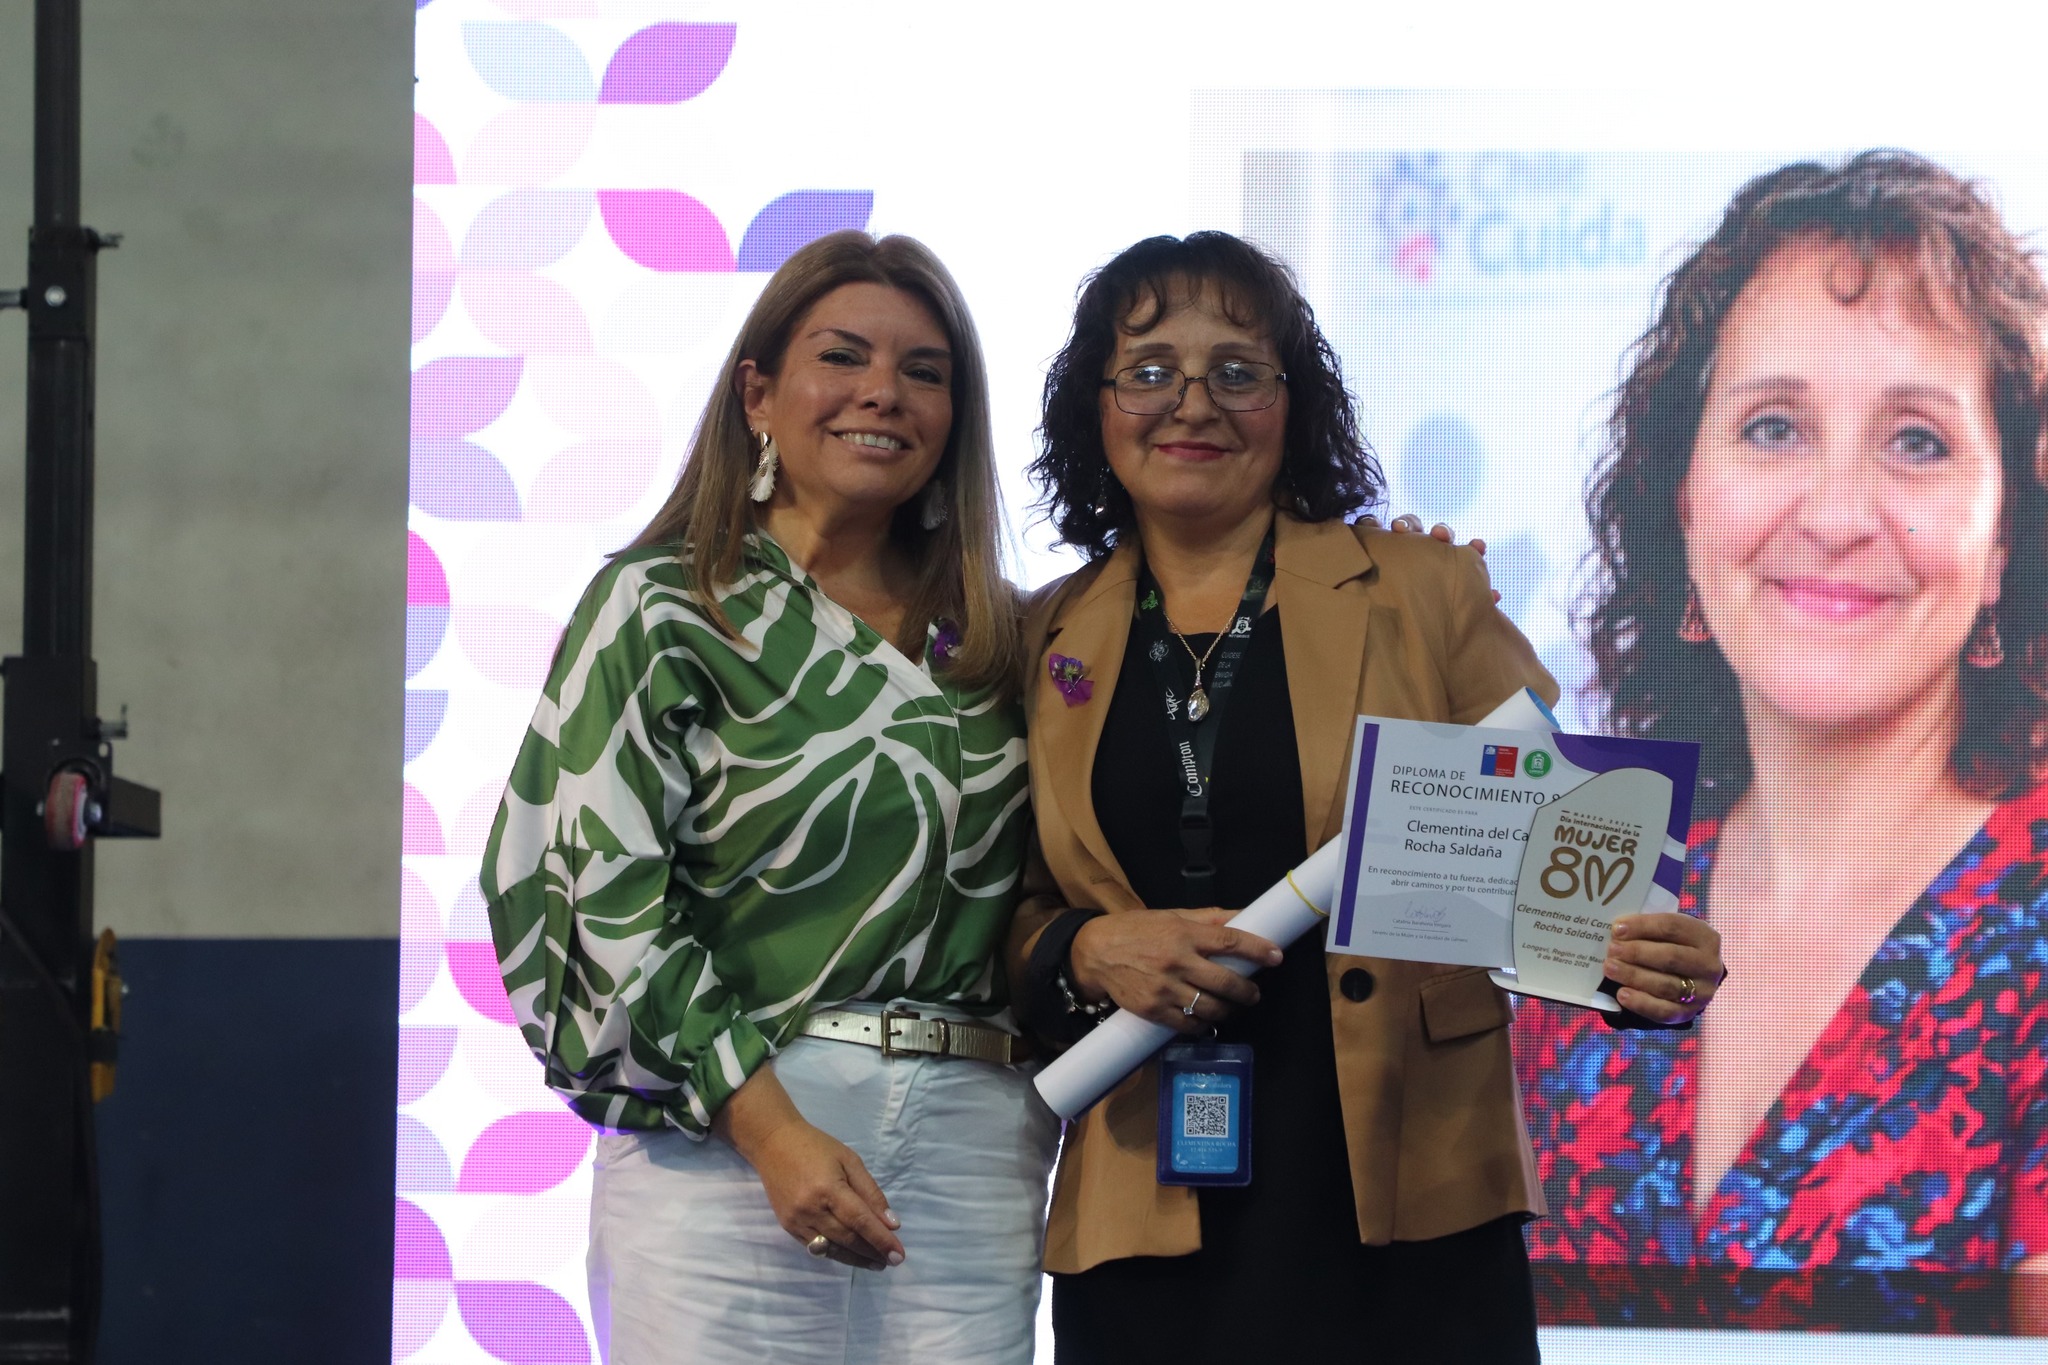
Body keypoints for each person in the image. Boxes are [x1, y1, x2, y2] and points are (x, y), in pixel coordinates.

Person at [1005, 230, 1727, 1364]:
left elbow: (1576, 859)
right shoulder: (1041, 636)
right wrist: (1085, 951)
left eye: (1237, 371)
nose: (1191, 403)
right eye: (1147, 370)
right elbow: (1006, 908)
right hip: (1146, 1199)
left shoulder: (1420, 587)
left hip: (1411, 1199)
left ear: (1292, 405)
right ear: (1094, 408)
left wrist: (1646, 967)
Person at [480, 230, 1060, 1365]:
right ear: (758, 393)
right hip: (729, 1146)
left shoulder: (1005, 636)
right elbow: (596, 893)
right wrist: (770, 1129)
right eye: (842, 356)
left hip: (976, 1150)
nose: (882, 392)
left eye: (924, 371)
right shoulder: (664, 605)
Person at [1512, 151, 2048, 1336]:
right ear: (1681, 501)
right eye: (1771, 427)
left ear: (2005, 539)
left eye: (1916, 441)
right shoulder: (1586, 858)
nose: (1835, 514)